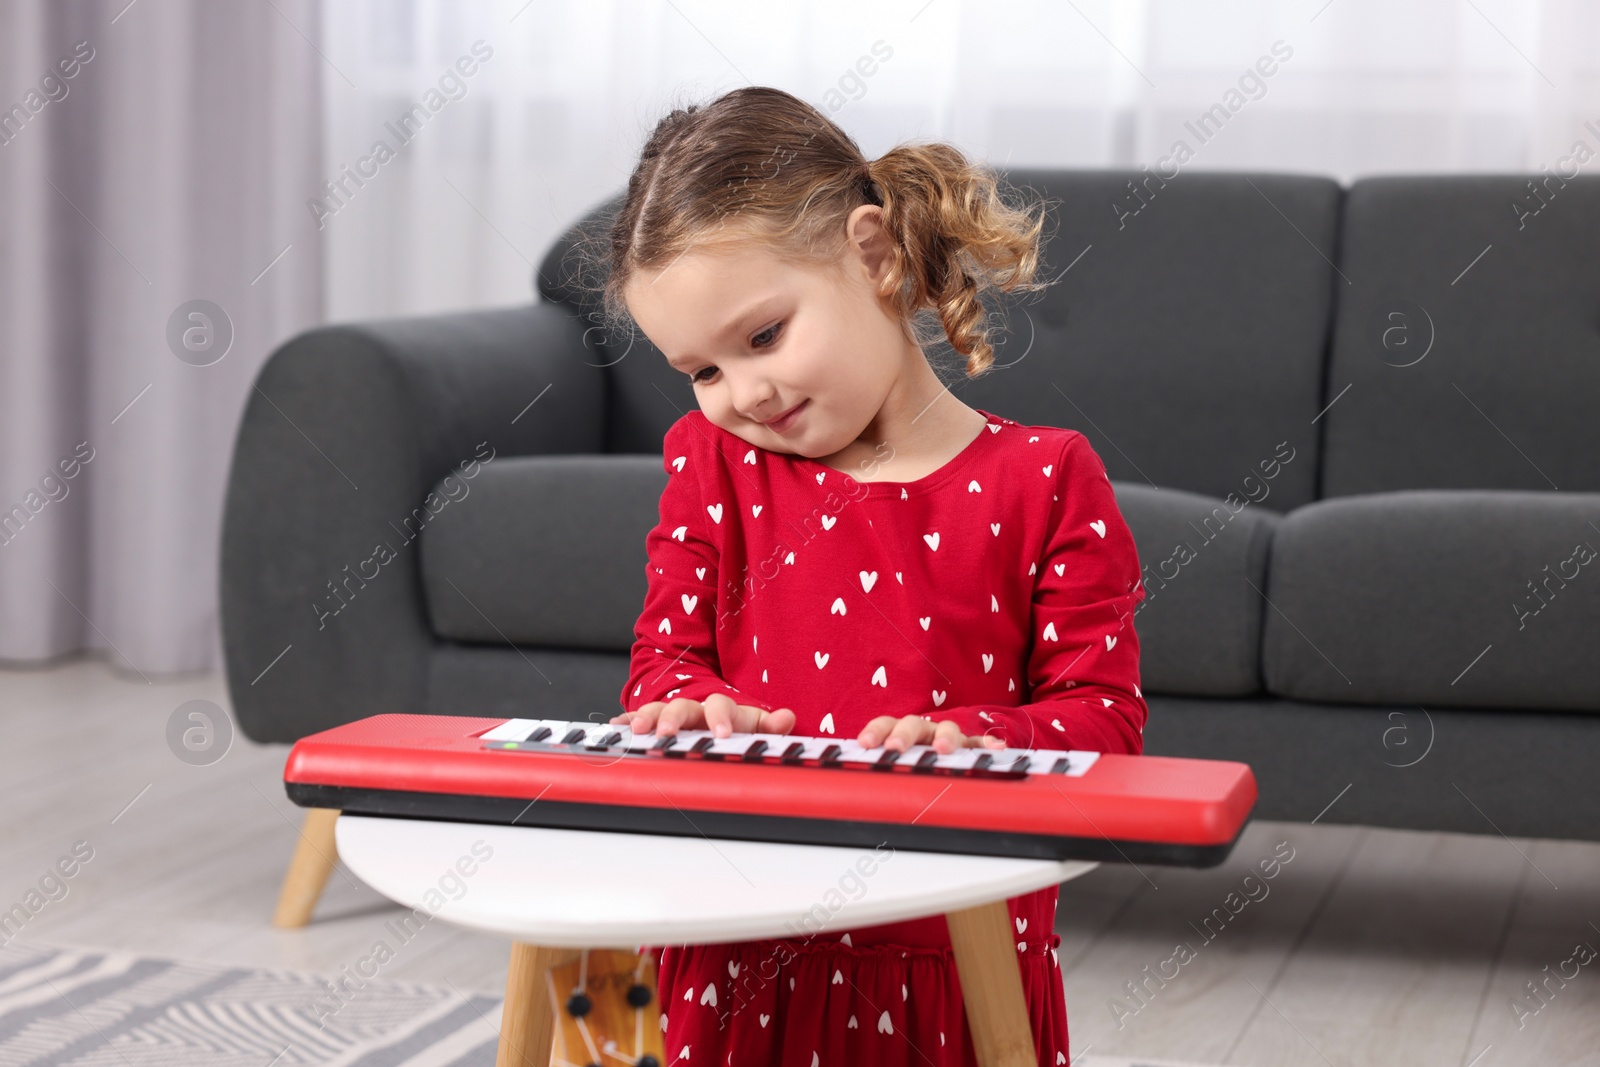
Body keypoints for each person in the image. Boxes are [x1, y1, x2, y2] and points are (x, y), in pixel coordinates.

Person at [597, 85, 1148, 1066]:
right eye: (702, 369)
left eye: (762, 336)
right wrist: (690, 705)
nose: (744, 392)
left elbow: (1103, 724)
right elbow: (661, 666)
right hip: (737, 942)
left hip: (951, 954)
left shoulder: (1048, 477)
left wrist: (971, 736)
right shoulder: (710, 459)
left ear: (874, 255)